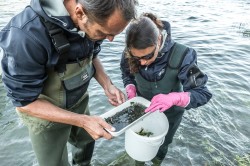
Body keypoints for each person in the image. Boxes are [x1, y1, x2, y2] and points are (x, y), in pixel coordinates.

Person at [0, 0, 138, 166]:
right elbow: (25, 102)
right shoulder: (25, 36)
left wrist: (107, 84)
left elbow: (92, 55)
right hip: (45, 117)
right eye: (103, 33)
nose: (110, 40)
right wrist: (83, 121)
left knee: (86, 142)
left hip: (79, 101)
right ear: (80, 13)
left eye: (114, 34)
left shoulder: (94, 20)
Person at [120, 13, 212, 165]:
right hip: (141, 110)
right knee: (138, 142)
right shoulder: (131, 51)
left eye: (148, 56)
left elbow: (203, 93)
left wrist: (175, 98)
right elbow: (126, 73)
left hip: (170, 114)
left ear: (158, 40)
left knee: (163, 144)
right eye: (136, 58)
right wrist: (129, 86)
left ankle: (157, 162)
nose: (142, 63)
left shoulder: (184, 55)